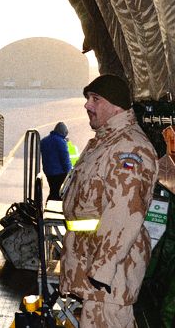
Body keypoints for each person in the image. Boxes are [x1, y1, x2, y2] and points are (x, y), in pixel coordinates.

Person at [60, 74, 158, 328]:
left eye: (95, 99)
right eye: (87, 99)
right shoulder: (104, 142)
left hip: (109, 275)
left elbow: (124, 214)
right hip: (91, 266)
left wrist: (102, 271)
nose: (87, 105)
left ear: (116, 106)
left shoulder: (130, 148)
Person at [40, 122, 72, 201]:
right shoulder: (61, 142)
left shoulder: (44, 140)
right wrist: (69, 173)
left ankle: (49, 204)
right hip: (59, 173)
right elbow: (65, 159)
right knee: (58, 193)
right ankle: (51, 208)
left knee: (53, 190)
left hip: (48, 172)